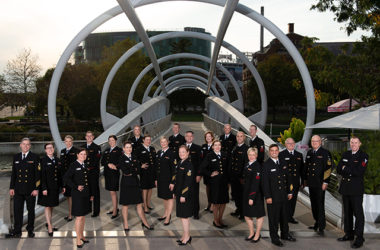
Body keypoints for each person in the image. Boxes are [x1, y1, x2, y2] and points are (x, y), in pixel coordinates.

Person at [336, 136, 368, 249]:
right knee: (347, 213)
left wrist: (346, 169)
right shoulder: (346, 154)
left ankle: (359, 238)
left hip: (356, 189)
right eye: (352, 142)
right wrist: (347, 170)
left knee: (358, 215)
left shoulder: (363, 156)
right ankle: (348, 234)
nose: (353, 144)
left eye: (355, 143)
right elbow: (338, 168)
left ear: (360, 144)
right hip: (345, 188)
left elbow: (359, 171)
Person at [263, 144, 296, 247]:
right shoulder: (266, 164)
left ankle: (285, 234)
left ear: (278, 151)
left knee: (284, 217)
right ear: (269, 152)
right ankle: (274, 237)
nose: (274, 152)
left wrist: (290, 192)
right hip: (273, 197)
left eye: (276, 150)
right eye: (272, 150)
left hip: (284, 195)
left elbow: (289, 178)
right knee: (274, 218)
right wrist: (267, 196)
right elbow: (265, 183)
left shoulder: (283, 162)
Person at [6, 138, 40, 238]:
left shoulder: (34, 157)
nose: (25, 146)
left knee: (31, 211)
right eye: (24, 144)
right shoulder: (16, 157)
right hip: (18, 189)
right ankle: (17, 231)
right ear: (20, 145)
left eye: (27, 144)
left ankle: (30, 229)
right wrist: (11, 187)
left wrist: (36, 188)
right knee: (17, 211)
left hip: (30, 190)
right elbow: (14, 174)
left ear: (30, 146)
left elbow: (37, 174)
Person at [118, 141, 154, 232]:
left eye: (130, 147)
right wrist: (135, 168)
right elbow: (126, 171)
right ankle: (126, 224)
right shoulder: (121, 158)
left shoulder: (134, 157)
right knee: (125, 205)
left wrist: (133, 169)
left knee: (139, 203)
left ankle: (145, 222)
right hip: (126, 183)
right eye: (127, 147)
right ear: (123, 149)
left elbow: (138, 171)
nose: (129, 149)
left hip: (135, 182)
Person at [63, 148, 93, 248]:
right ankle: (77, 240)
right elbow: (66, 178)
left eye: (85, 154)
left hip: (86, 194)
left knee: (83, 216)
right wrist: (75, 186)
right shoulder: (74, 165)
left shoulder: (85, 165)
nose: (83, 156)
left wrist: (91, 194)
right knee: (79, 217)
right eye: (81, 154)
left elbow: (88, 181)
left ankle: (82, 236)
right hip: (77, 194)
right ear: (77, 155)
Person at [304, 135, 332, 235]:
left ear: (320, 142)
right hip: (311, 183)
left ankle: (321, 225)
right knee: (314, 204)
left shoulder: (325, 153)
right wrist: (305, 180)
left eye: (316, 141)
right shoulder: (310, 152)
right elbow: (306, 167)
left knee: (320, 204)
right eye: (312, 141)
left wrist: (326, 182)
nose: (314, 143)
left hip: (320, 183)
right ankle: (316, 221)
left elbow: (328, 169)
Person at [201, 140, 229, 228]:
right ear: (212, 147)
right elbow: (202, 168)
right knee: (216, 202)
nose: (217, 147)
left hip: (224, 182)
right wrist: (210, 174)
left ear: (221, 146)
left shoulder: (225, 155)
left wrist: (229, 181)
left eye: (219, 145)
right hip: (215, 183)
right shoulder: (209, 156)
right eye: (215, 145)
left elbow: (228, 168)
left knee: (224, 202)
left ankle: (220, 219)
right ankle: (215, 220)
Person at [38, 143, 63, 237]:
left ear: (53, 149)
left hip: (55, 188)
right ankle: (49, 226)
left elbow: (60, 175)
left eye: (51, 148)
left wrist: (62, 186)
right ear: (45, 150)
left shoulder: (57, 160)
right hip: (46, 188)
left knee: (51, 205)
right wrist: (43, 188)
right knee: (47, 206)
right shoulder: (43, 161)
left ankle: (49, 223)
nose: (50, 149)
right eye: (48, 148)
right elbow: (42, 176)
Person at [279, 137, 304, 224]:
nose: (291, 145)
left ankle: (290, 217)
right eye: (289, 143)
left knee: (293, 200)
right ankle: (282, 217)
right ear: (285, 145)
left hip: (295, 182)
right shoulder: (281, 154)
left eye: (293, 143)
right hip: (285, 182)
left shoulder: (299, 155)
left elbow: (302, 170)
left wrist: (303, 181)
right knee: (284, 200)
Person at [243, 147, 265, 243]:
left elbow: (256, 183)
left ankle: (257, 234)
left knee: (259, 215)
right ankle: (252, 233)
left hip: (256, 195)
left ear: (256, 155)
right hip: (246, 193)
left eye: (253, 155)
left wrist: (251, 197)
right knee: (247, 214)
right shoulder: (247, 164)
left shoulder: (257, 166)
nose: (251, 156)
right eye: (249, 155)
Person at [174, 145, 194, 245]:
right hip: (179, 193)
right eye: (180, 152)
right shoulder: (179, 163)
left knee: (185, 216)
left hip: (185, 195)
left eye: (183, 152)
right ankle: (185, 236)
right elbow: (177, 180)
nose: (181, 154)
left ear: (187, 153)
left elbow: (188, 182)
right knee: (182, 216)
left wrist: (183, 195)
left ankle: (187, 237)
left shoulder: (189, 165)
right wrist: (175, 193)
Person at [155, 136, 176, 225]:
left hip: (168, 180)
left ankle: (168, 217)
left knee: (170, 198)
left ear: (167, 142)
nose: (163, 143)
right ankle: (165, 213)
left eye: (164, 142)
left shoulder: (172, 153)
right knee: (164, 197)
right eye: (161, 142)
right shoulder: (159, 152)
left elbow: (175, 169)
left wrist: (172, 182)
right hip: (160, 180)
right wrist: (156, 179)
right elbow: (157, 167)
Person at [102, 135, 123, 219]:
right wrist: (108, 164)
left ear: (116, 141)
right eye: (109, 140)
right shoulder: (106, 150)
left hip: (114, 174)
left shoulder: (119, 150)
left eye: (112, 140)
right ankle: (115, 208)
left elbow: (121, 162)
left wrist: (116, 167)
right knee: (111, 192)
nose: (111, 142)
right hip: (107, 174)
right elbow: (103, 161)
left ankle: (115, 211)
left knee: (113, 192)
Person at [81, 131, 101, 218]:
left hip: (93, 172)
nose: (89, 137)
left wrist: (88, 166)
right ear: (85, 137)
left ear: (93, 137)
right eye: (87, 136)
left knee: (95, 192)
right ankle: (87, 209)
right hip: (84, 173)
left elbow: (97, 160)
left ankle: (96, 211)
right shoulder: (82, 147)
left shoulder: (97, 147)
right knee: (86, 191)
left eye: (90, 136)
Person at [229, 131, 249, 220]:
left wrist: (243, 177)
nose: (239, 138)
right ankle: (238, 209)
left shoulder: (247, 149)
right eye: (237, 136)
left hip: (241, 177)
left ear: (244, 138)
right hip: (234, 176)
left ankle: (243, 213)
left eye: (241, 136)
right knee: (235, 195)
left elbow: (246, 164)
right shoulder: (235, 147)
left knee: (242, 196)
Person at [135, 134, 156, 214]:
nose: (148, 141)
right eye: (147, 140)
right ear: (143, 140)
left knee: (150, 188)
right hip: (144, 172)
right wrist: (140, 165)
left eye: (149, 140)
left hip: (151, 171)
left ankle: (148, 203)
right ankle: (144, 206)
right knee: (145, 189)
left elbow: (154, 160)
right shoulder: (139, 149)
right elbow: (135, 159)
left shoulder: (152, 148)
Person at [60, 135, 78, 221]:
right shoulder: (62, 151)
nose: (68, 143)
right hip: (65, 178)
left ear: (72, 142)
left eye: (69, 141)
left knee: (71, 196)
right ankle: (71, 213)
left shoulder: (75, 151)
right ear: (64, 142)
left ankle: (71, 215)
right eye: (66, 141)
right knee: (67, 196)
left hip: (72, 178)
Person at [184, 130, 202, 219]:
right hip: (184, 176)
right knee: (186, 194)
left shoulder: (198, 148)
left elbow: (200, 163)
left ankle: (195, 213)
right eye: (187, 136)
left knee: (195, 195)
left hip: (194, 176)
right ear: (185, 137)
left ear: (193, 137)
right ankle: (188, 211)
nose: (189, 137)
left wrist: (199, 175)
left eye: (191, 136)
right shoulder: (182, 148)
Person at [201, 131, 214, 212]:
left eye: (209, 136)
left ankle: (212, 204)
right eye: (206, 137)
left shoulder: (215, 145)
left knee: (213, 187)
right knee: (207, 187)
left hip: (213, 171)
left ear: (212, 137)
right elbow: (202, 159)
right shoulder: (203, 146)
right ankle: (209, 203)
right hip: (206, 171)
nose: (208, 138)